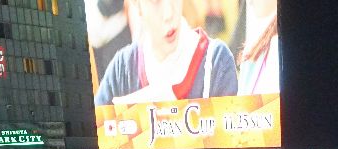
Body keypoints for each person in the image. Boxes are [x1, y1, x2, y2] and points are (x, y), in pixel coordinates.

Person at [93, 0, 238, 106]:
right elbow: (92, 137)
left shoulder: (216, 61)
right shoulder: (122, 70)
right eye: (155, 1)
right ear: (136, 4)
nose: (169, 13)